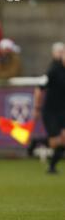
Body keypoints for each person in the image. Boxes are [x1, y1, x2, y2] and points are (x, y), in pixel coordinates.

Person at [28, 42, 65, 173]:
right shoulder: (53, 70)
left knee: (63, 141)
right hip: (51, 111)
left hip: (63, 111)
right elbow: (39, 88)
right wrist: (37, 108)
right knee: (55, 142)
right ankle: (37, 142)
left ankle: (52, 167)